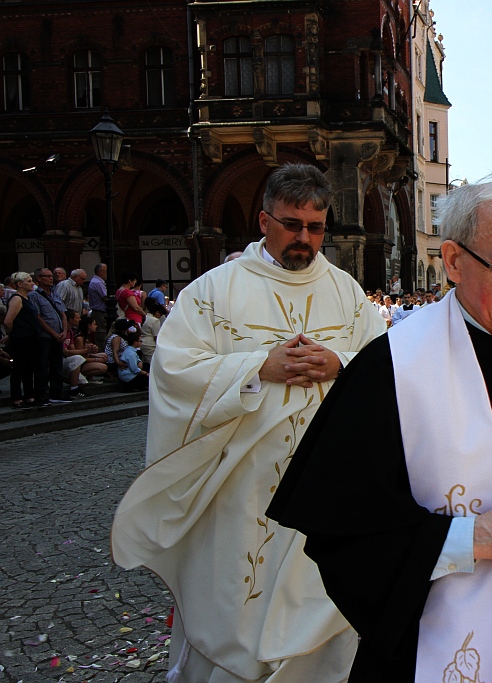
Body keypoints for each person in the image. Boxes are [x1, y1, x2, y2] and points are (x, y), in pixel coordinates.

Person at [266, 170, 492, 683]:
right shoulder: (392, 368)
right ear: (454, 261)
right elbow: (343, 534)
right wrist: (469, 537)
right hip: (419, 649)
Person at [110, 163, 386, 683]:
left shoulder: (347, 292)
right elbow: (174, 369)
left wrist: (339, 365)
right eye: (291, 223)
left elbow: (387, 365)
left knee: (320, 592)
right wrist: (258, 366)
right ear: (264, 220)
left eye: (316, 226)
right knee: (238, 596)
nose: (304, 238)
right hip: (241, 484)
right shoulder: (213, 291)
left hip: (328, 479)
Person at [28, 268, 71, 404]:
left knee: (57, 365)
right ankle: (42, 395)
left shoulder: (55, 294)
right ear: (38, 279)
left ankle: (56, 393)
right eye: (46, 276)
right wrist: (53, 333)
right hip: (45, 336)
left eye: (50, 276)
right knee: (42, 366)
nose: (50, 278)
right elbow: (38, 317)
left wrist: (64, 331)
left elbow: (63, 313)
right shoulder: (34, 296)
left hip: (59, 334)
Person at [3, 272, 42, 409]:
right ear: (20, 284)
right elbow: (8, 321)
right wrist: (11, 335)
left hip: (30, 338)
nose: (32, 283)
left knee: (28, 369)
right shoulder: (17, 299)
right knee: (19, 368)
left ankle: (29, 396)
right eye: (29, 281)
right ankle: (17, 398)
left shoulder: (26, 298)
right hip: (22, 339)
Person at [139, 297, 167, 364]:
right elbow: (156, 335)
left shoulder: (146, 317)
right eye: (160, 314)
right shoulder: (155, 320)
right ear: (157, 312)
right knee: (152, 362)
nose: (160, 316)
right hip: (150, 343)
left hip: (142, 341)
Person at [87, 263, 109, 330]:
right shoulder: (98, 282)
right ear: (100, 271)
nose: (107, 273)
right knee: (101, 331)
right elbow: (105, 297)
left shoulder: (95, 281)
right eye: (105, 271)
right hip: (99, 312)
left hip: (98, 311)